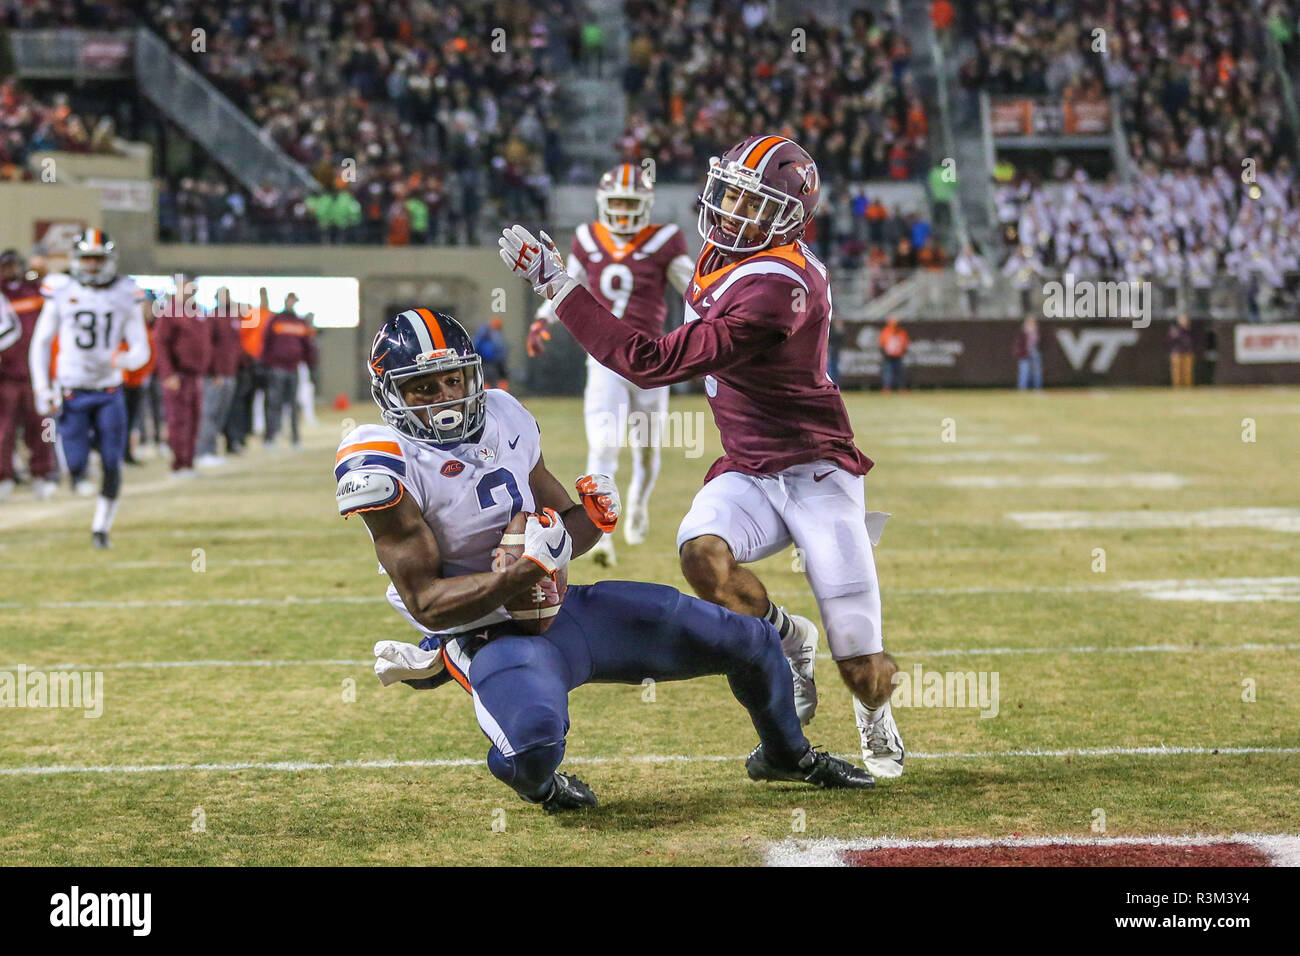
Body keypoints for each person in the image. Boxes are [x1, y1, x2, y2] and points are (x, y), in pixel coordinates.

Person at [341, 309, 873, 811]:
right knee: (531, 752)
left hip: (563, 609)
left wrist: (590, 520)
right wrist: (530, 567)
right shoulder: (383, 461)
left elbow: (564, 524)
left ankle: (786, 756)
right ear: (391, 395)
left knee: (750, 639)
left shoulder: (504, 414)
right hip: (487, 634)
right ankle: (525, 762)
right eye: (423, 387)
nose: (445, 398)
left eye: (452, 380)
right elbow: (429, 602)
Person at [499, 134, 906, 780]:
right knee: (700, 554)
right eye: (732, 194)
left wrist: (556, 282)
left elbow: (649, 362)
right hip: (747, 464)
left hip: (816, 470)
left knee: (861, 664)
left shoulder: (780, 287)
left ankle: (875, 711)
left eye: (751, 202)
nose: (730, 211)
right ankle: (785, 634)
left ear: (788, 216)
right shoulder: (724, 250)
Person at [527, 163, 694, 566]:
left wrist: (706, 328)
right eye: (616, 202)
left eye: (629, 203)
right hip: (604, 357)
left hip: (652, 359)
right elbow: (568, 282)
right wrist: (542, 317)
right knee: (604, 444)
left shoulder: (665, 239)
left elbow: (691, 290)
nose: (621, 211)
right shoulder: (588, 237)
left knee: (648, 451)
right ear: (603, 202)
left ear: (646, 205)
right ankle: (599, 534)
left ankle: (637, 504)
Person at [28, 229, 150, 548]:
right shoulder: (60, 288)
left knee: (112, 462)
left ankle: (101, 528)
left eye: (99, 259)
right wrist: (42, 387)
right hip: (72, 388)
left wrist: (125, 360)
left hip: (109, 389)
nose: (93, 266)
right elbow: (40, 343)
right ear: (77, 261)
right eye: (88, 259)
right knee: (77, 466)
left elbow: (142, 348)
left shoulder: (126, 291)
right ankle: (82, 476)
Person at [0, 249, 56, 499]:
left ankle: (42, 474)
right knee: (4, 431)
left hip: (36, 376)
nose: (9, 271)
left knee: (44, 428)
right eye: (5, 266)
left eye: (13, 266)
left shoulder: (35, 291)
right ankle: (4, 477)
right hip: (7, 376)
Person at [154, 276, 212, 476]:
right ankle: (179, 463)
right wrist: (168, 373)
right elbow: (161, 345)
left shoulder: (197, 311)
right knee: (179, 420)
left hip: (196, 375)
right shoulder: (170, 312)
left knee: (195, 419)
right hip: (179, 375)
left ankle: (189, 461)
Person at [260, 293, 316, 447]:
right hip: (277, 368)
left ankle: (295, 438)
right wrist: (266, 365)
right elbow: (267, 342)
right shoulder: (276, 320)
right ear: (286, 301)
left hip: (293, 368)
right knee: (273, 403)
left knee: (292, 404)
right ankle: (271, 437)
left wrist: (311, 365)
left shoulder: (300, 322)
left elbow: (307, 346)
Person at [195, 287, 242, 467]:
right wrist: (214, 371)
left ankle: (212, 450)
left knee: (221, 414)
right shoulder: (212, 318)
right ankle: (203, 451)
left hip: (230, 373)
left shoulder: (233, 318)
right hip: (217, 375)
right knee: (209, 413)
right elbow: (208, 346)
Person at [472, 317, 510, 388]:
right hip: (494, 364)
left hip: (483, 363)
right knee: (496, 382)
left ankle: (487, 396)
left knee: (485, 381)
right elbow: (502, 352)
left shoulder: (481, 336)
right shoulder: (497, 336)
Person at [879, 316, 909, 393]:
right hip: (888, 357)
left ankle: (902, 388)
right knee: (887, 373)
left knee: (901, 373)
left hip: (899, 356)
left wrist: (902, 351)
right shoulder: (885, 331)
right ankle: (887, 388)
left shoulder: (902, 332)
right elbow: (882, 344)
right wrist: (884, 353)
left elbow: (905, 343)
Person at [1013, 315, 1043, 390]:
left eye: (1033, 322)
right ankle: (1022, 388)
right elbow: (1019, 344)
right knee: (1024, 372)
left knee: (1037, 372)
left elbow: (1038, 343)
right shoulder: (1022, 333)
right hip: (1024, 354)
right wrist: (1022, 353)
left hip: (1034, 353)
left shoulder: (1036, 332)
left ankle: (1038, 388)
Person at [1168, 314, 1195, 387]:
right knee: (1177, 371)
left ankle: (1188, 386)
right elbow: (1173, 339)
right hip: (1177, 352)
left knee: (1187, 371)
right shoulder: (1176, 329)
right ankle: (1177, 386)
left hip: (1188, 352)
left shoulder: (1190, 330)